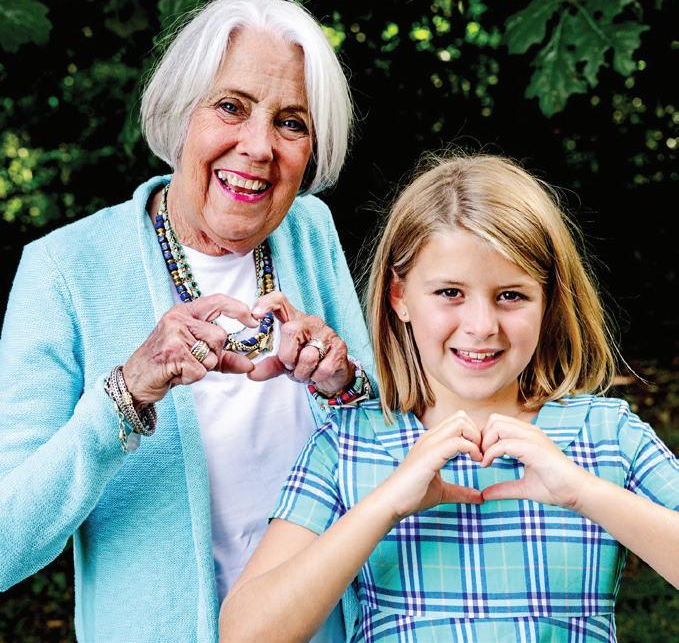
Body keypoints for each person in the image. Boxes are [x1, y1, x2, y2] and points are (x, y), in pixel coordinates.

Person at [0, 0, 374, 642]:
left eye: (291, 122)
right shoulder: (63, 271)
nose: (258, 146)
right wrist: (126, 393)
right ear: (180, 111)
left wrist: (343, 384)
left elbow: (384, 446)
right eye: (231, 107)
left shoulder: (310, 232)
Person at [220, 154, 679, 641]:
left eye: (511, 295)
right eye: (450, 293)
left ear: (548, 300)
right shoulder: (348, 443)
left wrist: (583, 492)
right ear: (399, 297)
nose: (481, 326)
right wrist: (386, 504)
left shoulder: (606, 435)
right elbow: (246, 634)